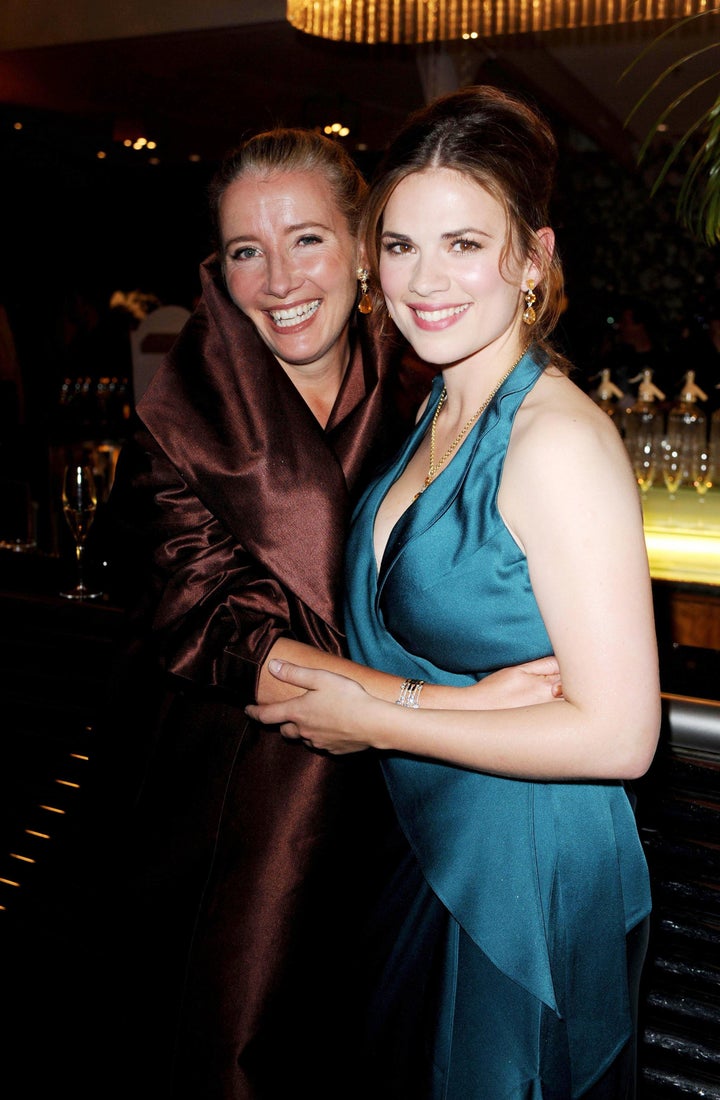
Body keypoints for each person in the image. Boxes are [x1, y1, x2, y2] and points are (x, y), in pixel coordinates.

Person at [63, 126, 561, 1100]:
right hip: (233, 797)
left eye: (309, 240)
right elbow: (226, 634)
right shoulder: (181, 419)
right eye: (246, 249)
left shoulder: (424, 373)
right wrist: (427, 701)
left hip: (410, 801)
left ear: (364, 248)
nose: (279, 277)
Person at [247, 87, 662, 1099]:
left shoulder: (556, 438)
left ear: (533, 257)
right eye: (398, 246)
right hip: (433, 843)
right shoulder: (437, 403)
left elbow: (620, 735)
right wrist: (425, 706)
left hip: (523, 877)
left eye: (464, 244)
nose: (423, 281)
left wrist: (383, 713)